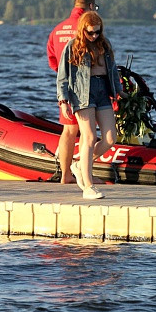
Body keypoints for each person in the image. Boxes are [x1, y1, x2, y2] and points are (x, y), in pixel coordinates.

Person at [56, 11, 124, 200]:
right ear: (82, 30)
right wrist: (63, 101)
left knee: (110, 137)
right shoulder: (72, 47)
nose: (94, 36)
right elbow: (62, 77)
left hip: (103, 89)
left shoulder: (104, 44)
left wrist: (119, 90)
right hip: (82, 93)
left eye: (97, 32)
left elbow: (112, 69)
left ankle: (79, 164)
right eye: (90, 33)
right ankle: (88, 185)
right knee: (89, 136)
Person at [47, 0, 98, 184]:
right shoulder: (86, 27)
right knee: (88, 133)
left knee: (68, 131)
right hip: (86, 88)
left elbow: (52, 58)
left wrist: (63, 76)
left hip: (65, 88)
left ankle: (65, 174)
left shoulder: (58, 29)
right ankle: (85, 173)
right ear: (91, 7)